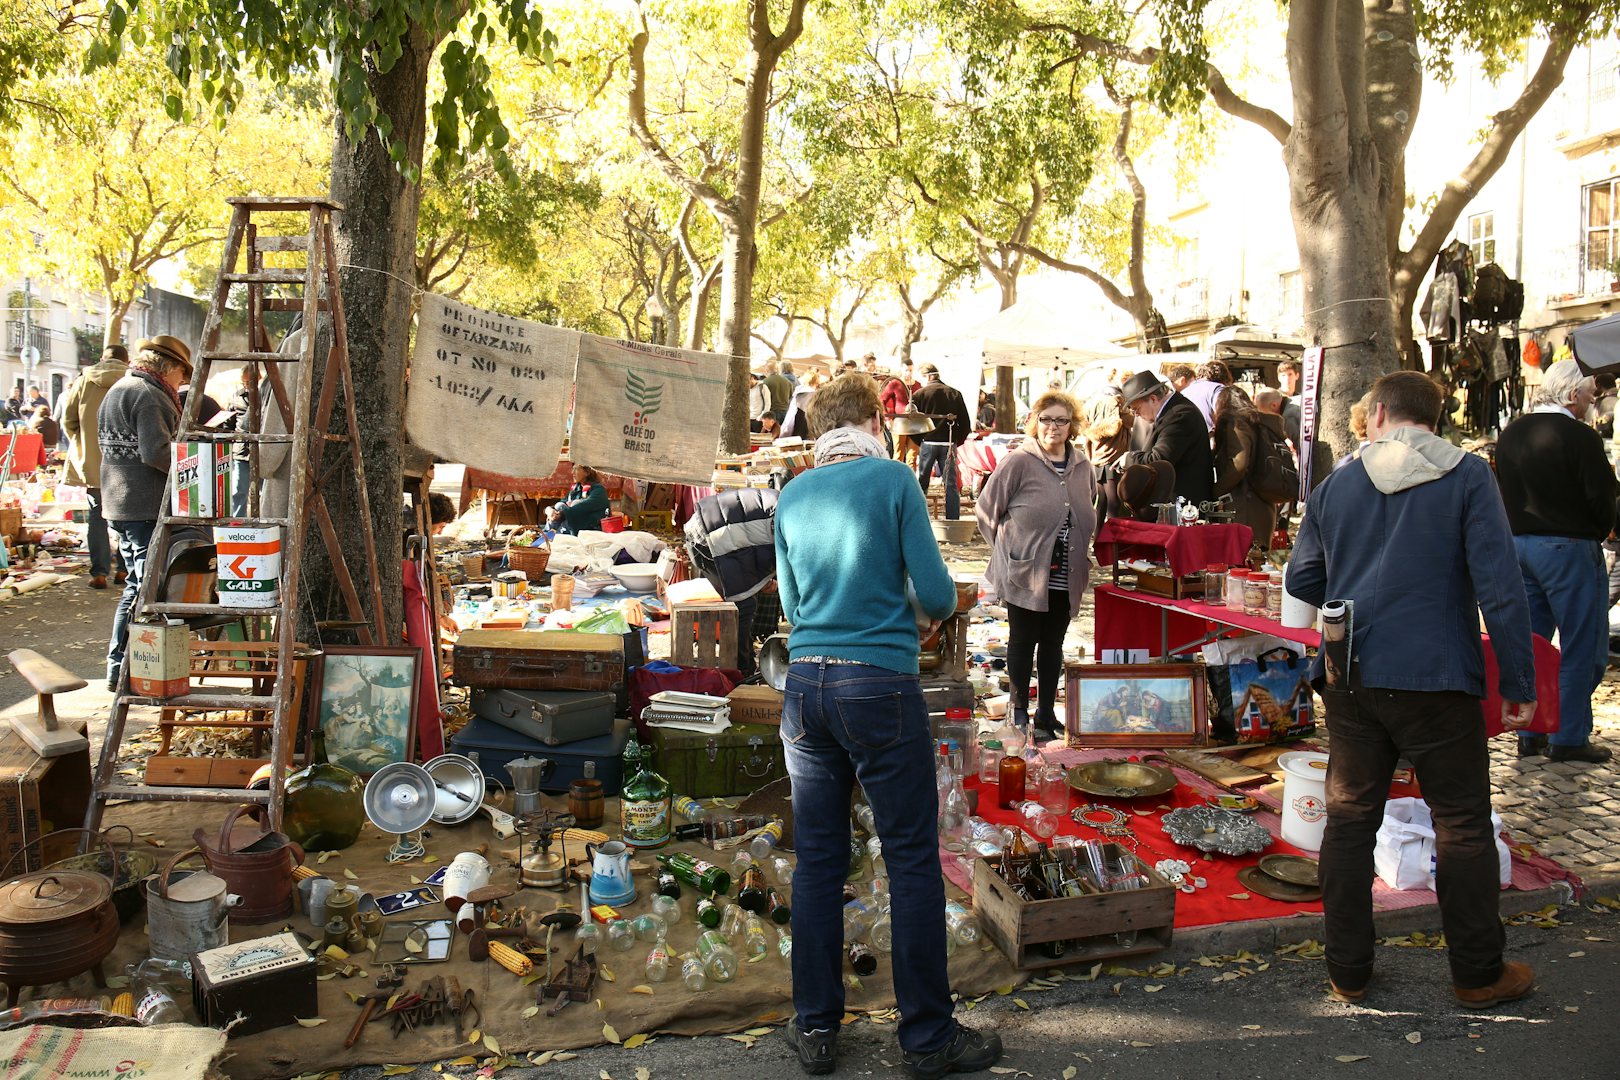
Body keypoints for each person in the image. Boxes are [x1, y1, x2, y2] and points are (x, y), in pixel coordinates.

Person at [1286, 370, 1538, 1011]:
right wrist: (1519, 680)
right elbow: (1500, 586)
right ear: (1436, 417)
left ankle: (1348, 971)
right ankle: (1477, 973)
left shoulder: (1337, 482)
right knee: (1460, 825)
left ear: (1375, 414)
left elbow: (1304, 578)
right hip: (1436, 674)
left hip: (1353, 673)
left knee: (1349, 821)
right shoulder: (1467, 475)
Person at [774, 373, 1002, 1079]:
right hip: (876, 683)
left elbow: (790, 601)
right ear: (875, 420)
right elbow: (936, 593)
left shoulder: (792, 493)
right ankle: (927, 1038)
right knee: (907, 857)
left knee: (818, 860)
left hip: (805, 684)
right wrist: (902, 601)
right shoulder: (894, 481)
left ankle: (814, 1027)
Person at [1493, 359, 1618, 764]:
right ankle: (1568, 736)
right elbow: (1603, 498)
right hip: (1568, 545)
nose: (1590, 399)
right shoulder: (1579, 436)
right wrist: (1599, 531)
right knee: (1583, 646)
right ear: (1569, 394)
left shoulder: (1511, 434)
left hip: (1520, 544)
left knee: (1532, 644)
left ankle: (1531, 730)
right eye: (1586, 393)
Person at [975, 390, 1096, 737]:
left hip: (1066, 573)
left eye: (1061, 420)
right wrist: (1007, 553)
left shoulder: (1083, 465)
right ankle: (1018, 710)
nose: (1052, 427)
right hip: (1025, 571)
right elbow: (987, 511)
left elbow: (1088, 506)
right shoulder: (1018, 462)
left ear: (1071, 426)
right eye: (1045, 419)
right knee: (1023, 639)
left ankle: (1045, 713)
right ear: (1034, 423)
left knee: (1054, 642)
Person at [98, 335, 191, 692]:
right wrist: (191, 470)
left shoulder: (122, 387)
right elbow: (156, 452)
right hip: (142, 503)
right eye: (183, 374)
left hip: (121, 501)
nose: (182, 383)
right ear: (169, 367)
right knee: (141, 587)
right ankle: (121, 667)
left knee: (136, 585)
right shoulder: (149, 394)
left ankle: (120, 666)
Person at [684, 486, 779, 676]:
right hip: (708, 539)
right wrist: (771, 578)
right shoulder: (787, 515)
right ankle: (741, 670)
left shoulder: (784, 502)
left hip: (706, 529)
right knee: (743, 607)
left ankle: (745, 662)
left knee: (744, 603)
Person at [61, 345, 130, 589]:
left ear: (103, 358)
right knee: (126, 517)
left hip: (93, 461)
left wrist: (83, 446)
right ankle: (123, 570)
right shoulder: (131, 379)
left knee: (96, 518)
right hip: (125, 461)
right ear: (126, 359)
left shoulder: (84, 380)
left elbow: (68, 420)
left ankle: (99, 573)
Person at [1117, 370, 1214, 504]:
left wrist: (1129, 459)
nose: (1136, 414)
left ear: (1153, 399)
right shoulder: (1172, 411)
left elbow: (1159, 460)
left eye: (1136, 409)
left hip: (1186, 503)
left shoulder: (1179, 415)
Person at [1211, 385, 1285, 545]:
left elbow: (1239, 463)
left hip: (1243, 505)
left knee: (1241, 561)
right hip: (1263, 504)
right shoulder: (1259, 422)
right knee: (1257, 561)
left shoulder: (1237, 423)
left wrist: (1217, 490)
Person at [911, 364, 973, 520]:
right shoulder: (954, 394)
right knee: (950, 484)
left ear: (927, 376)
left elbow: (911, 423)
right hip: (948, 442)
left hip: (928, 443)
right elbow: (965, 423)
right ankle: (953, 519)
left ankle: (919, 518)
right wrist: (956, 442)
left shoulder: (919, 394)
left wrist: (920, 441)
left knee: (922, 482)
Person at [1078, 392, 1136, 525]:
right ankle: (1110, 540)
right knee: (1112, 504)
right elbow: (1120, 425)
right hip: (1112, 459)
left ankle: (1100, 541)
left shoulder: (1093, 408)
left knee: (1102, 504)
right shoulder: (1116, 411)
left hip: (1099, 459)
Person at [545, 464, 610, 535]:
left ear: (587, 473)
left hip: (590, 528)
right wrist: (549, 510)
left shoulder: (598, 489)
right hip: (572, 525)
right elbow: (562, 503)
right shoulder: (575, 489)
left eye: (576, 469)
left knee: (575, 503)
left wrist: (563, 514)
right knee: (559, 506)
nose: (572, 472)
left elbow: (585, 506)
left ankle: (559, 535)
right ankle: (547, 536)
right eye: (573, 469)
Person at [1180, 360, 1233, 429]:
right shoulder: (1218, 389)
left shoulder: (1184, 392)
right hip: (1208, 437)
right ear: (1224, 376)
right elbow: (1224, 417)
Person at [763, 359, 793, 423]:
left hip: (771, 413)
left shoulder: (765, 382)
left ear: (766, 370)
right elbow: (790, 396)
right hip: (784, 412)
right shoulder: (787, 382)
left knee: (772, 432)